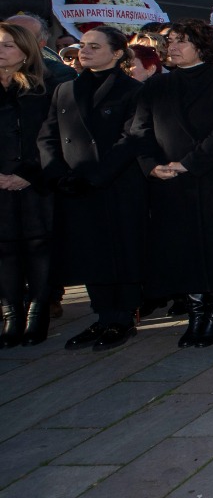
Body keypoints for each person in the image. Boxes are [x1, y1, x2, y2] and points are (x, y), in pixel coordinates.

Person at [128, 20, 213, 347]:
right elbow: (140, 132)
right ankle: (196, 313)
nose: (173, 47)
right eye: (170, 42)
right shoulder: (155, 86)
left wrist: (190, 163)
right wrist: (152, 166)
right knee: (183, 250)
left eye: (181, 41)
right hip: (169, 182)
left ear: (202, 46)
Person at [40, 28, 145, 350]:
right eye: (82, 46)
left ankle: (123, 317)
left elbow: (134, 136)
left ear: (116, 53)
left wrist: (98, 175)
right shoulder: (65, 90)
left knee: (121, 250)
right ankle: (102, 315)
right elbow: (47, 136)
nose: (84, 52)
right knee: (90, 253)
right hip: (76, 186)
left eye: (94, 47)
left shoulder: (132, 90)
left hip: (116, 184)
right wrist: (58, 174)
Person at [0, 23, 56, 346]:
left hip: (36, 180)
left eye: (8, 45)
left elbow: (51, 137)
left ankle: (38, 314)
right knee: (4, 249)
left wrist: (27, 174)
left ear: (25, 50)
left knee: (38, 245)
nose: (1, 51)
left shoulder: (45, 86)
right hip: (0, 182)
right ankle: (11, 316)